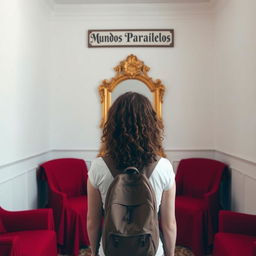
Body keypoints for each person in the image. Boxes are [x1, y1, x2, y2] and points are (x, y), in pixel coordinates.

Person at [87, 92, 176, 256]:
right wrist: (170, 254)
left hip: (111, 248)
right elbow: (169, 224)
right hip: (150, 248)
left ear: (113, 125)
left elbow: (93, 222)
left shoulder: (98, 166)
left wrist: (94, 252)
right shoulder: (164, 167)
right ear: (151, 125)